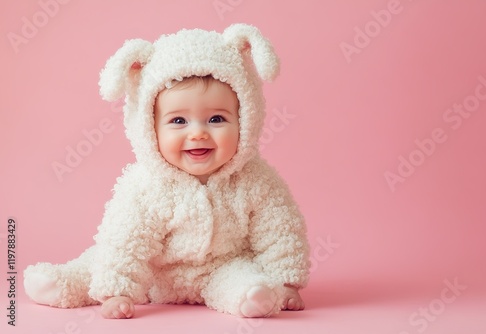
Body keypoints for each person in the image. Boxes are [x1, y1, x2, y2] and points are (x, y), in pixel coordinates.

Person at [24, 24, 310, 319]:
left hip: (221, 267)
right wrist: (118, 290)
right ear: (149, 128)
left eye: (215, 118)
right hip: (152, 273)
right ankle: (68, 283)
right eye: (178, 121)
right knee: (100, 262)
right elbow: (127, 239)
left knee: (244, 280)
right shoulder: (146, 185)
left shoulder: (256, 180)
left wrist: (286, 279)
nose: (198, 133)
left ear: (245, 119)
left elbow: (280, 229)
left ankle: (256, 295)